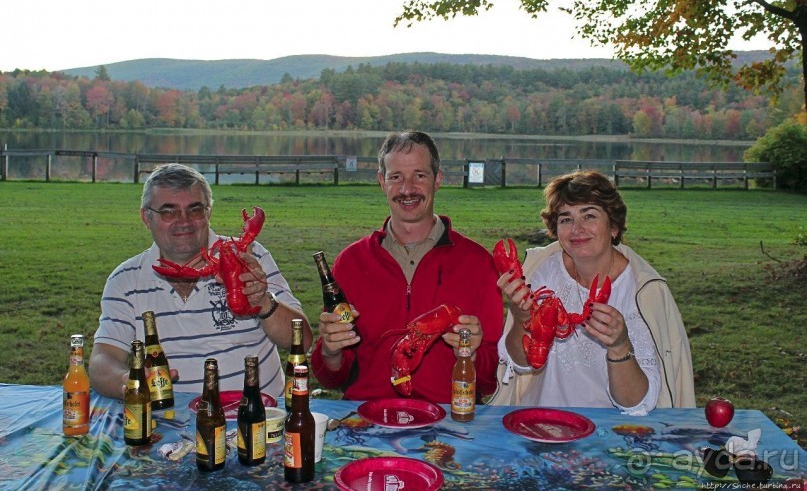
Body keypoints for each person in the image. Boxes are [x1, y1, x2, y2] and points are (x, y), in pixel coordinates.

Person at [310, 131, 504, 404]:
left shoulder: (479, 263)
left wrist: (471, 355)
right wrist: (330, 351)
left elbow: (491, 379)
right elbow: (331, 378)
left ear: (437, 180)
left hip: (449, 416)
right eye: (396, 177)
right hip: (368, 417)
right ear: (382, 182)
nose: (407, 189)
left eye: (419, 176)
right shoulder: (351, 262)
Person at [90, 163, 313, 399]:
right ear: (146, 217)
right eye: (169, 212)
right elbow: (102, 360)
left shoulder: (250, 256)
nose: (184, 221)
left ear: (208, 212)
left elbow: (303, 341)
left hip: (256, 418)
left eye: (195, 210)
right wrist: (129, 382)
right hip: (169, 422)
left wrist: (264, 301)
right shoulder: (125, 280)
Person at [490, 170, 695, 412]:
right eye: (566, 219)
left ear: (614, 227)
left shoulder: (643, 291)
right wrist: (522, 318)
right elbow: (521, 363)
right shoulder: (542, 271)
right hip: (542, 424)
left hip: (614, 433)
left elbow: (636, 403)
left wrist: (619, 345)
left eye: (589, 216)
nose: (577, 229)